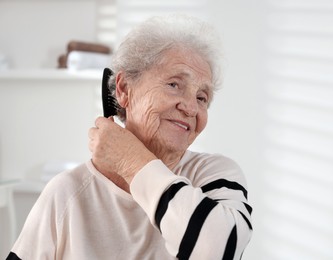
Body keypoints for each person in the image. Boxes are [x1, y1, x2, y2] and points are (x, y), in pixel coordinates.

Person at [7, 14, 252, 260]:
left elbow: (220, 251)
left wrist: (131, 161)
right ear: (124, 90)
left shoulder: (213, 175)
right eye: (174, 85)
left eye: (202, 97)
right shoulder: (67, 192)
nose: (191, 108)